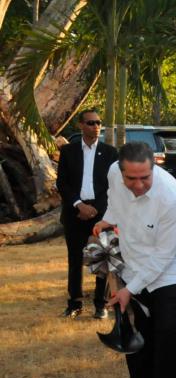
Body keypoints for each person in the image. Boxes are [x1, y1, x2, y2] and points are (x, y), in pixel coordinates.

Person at [95, 142, 176, 378]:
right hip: (134, 265)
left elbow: (163, 255)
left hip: (174, 270)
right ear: (121, 170)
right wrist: (106, 221)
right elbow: (114, 202)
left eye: (145, 178)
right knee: (139, 335)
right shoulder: (113, 173)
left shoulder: (172, 197)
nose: (139, 185)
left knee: (167, 334)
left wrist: (130, 290)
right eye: (132, 178)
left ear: (155, 168)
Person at [55, 108, 118, 319]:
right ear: (81, 125)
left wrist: (95, 209)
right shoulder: (68, 151)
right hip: (75, 213)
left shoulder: (110, 153)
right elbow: (61, 183)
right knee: (75, 260)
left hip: (100, 214)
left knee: (102, 259)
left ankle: (101, 304)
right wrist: (78, 205)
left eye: (99, 122)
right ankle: (74, 303)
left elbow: (112, 186)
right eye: (91, 123)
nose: (96, 126)